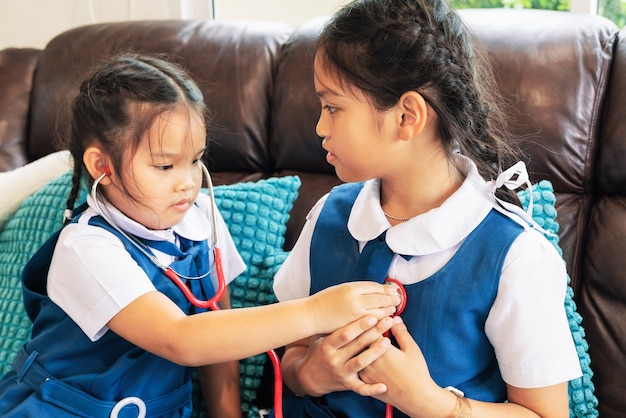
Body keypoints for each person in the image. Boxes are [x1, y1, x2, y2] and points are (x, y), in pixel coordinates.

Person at [0, 53, 402, 418]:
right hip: (62, 407)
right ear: (101, 164)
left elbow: (217, 335)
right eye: (164, 166)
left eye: (195, 160)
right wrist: (316, 311)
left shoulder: (202, 220)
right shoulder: (85, 248)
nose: (188, 183)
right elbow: (183, 340)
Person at [272, 0, 583, 416]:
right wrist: (308, 374)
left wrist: (431, 403)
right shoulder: (330, 215)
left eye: (332, 107)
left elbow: (545, 413)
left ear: (407, 116)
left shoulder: (515, 256)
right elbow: (288, 349)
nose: (319, 127)